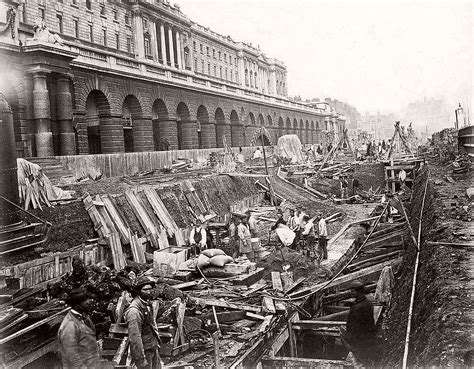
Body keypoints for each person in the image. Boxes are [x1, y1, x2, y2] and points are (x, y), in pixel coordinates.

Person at [58, 286, 102, 369]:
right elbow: (72, 358)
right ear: (77, 304)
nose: (91, 302)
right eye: (87, 301)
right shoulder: (70, 326)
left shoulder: (84, 317)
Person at [125, 276, 162, 369]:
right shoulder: (134, 311)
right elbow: (135, 337)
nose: (149, 292)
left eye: (150, 289)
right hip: (145, 352)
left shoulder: (147, 304)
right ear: (138, 291)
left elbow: (153, 326)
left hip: (153, 347)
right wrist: (141, 359)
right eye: (145, 290)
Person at [340, 280, 377, 365]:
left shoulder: (356, 307)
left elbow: (353, 326)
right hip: (367, 335)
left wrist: (349, 336)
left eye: (353, 291)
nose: (351, 293)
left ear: (359, 291)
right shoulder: (367, 302)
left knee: (341, 332)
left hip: (359, 338)